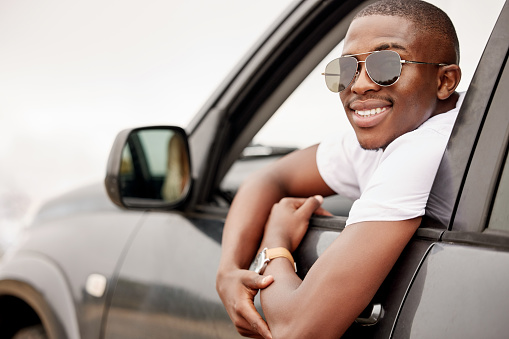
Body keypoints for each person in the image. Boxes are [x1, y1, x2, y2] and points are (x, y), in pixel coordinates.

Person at [216, 0, 462, 338]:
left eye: (387, 64)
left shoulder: (425, 146)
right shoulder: (399, 127)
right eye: (346, 68)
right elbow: (269, 178)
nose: (359, 85)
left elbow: (295, 329)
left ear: (445, 81)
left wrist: (276, 239)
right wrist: (227, 272)